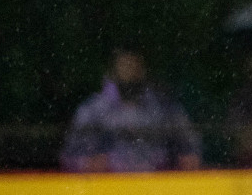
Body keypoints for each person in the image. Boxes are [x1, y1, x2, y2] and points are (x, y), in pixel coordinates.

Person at [61, 49, 201, 172]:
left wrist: (184, 160)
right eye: (124, 66)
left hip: (158, 187)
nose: (130, 72)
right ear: (112, 72)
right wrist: (87, 164)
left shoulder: (165, 107)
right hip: (107, 189)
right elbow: (69, 156)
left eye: (135, 67)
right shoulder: (93, 110)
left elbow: (191, 150)